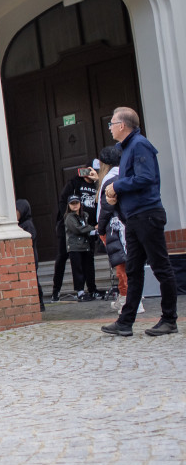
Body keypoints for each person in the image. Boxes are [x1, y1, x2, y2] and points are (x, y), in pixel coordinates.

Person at [102, 107, 178, 337]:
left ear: (122, 125)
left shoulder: (139, 145)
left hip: (147, 215)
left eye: (112, 123)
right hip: (135, 218)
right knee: (134, 270)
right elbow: (135, 180)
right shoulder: (127, 149)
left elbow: (146, 178)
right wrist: (115, 195)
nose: (110, 128)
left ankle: (169, 320)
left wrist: (117, 186)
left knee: (161, 267)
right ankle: (125, 322)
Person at [51, 166, 100, 301]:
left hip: (88, 228)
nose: (89, 174)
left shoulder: (99, 184)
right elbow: (63, 201)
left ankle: (92, 289)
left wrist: (98, 180)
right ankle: (56, 290)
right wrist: (69, 219)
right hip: (70, 229)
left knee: (88, 259)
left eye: (94, 171)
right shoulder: (74, 183)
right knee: (63, 258)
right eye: (88, 170)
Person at [95, 145, 129, 312]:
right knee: (122, 265)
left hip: (115, 227)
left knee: (122, 266)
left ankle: (129, 301)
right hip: (119, 226)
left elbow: (107, 207)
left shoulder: (110, 180)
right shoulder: (120, 175)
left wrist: (100, 228)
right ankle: (124, 297)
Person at [64, 195, 99, 301]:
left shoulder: (85, 215)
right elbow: (78, 229)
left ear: (80, 203)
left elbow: (86, 230)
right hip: (75, 247)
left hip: (86, 246)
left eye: (76, 203)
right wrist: (93, 228)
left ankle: (92, 290)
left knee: (88, 269)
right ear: (69, 205)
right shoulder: (69, 217)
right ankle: (80, 292)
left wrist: (95, 231)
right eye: (72, 203)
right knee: (78, 269)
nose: (75, 205)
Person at [16, 199, 45, 312]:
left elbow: (30, 240)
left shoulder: (27, 224)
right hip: (27, 258)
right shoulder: (21, 224)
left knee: (34, 280)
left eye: (17, 212)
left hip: (31, 257)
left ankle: (40, 303)